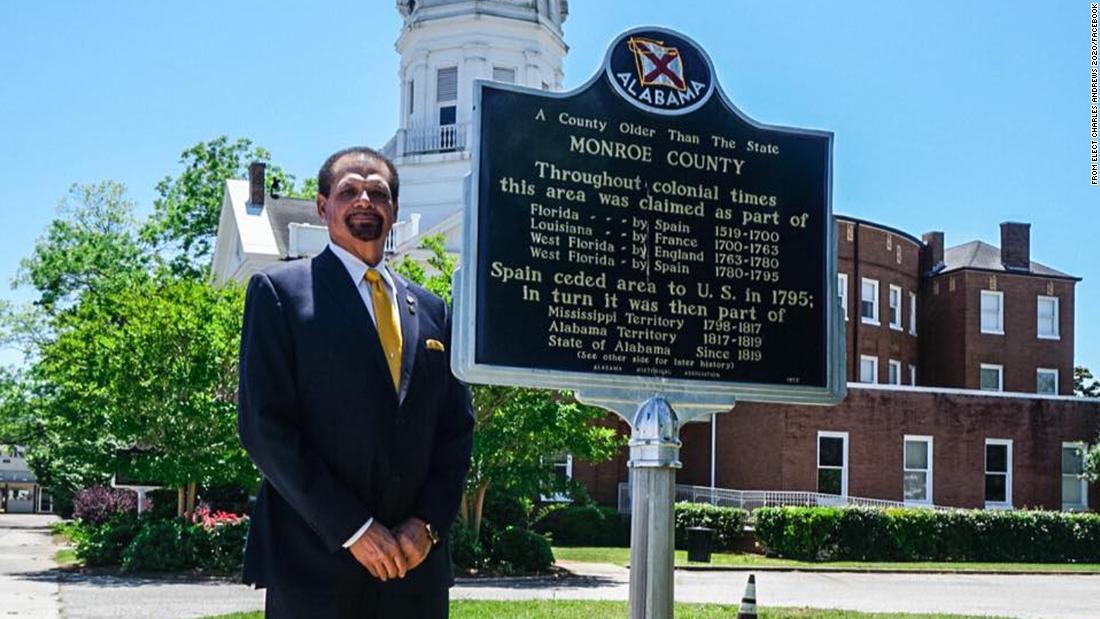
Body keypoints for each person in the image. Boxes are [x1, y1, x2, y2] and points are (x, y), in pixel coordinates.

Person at [237, 146, 474, 618]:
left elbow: (455, 431)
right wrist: (355, 529)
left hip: (415, 572)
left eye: (378, 192)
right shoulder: (280, 293)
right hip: (315, 566)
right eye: (349, 191)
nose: (364, 199)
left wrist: (425, 526)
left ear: (394, 210)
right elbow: (265, 428)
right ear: (324, 206)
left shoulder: (433, 311)